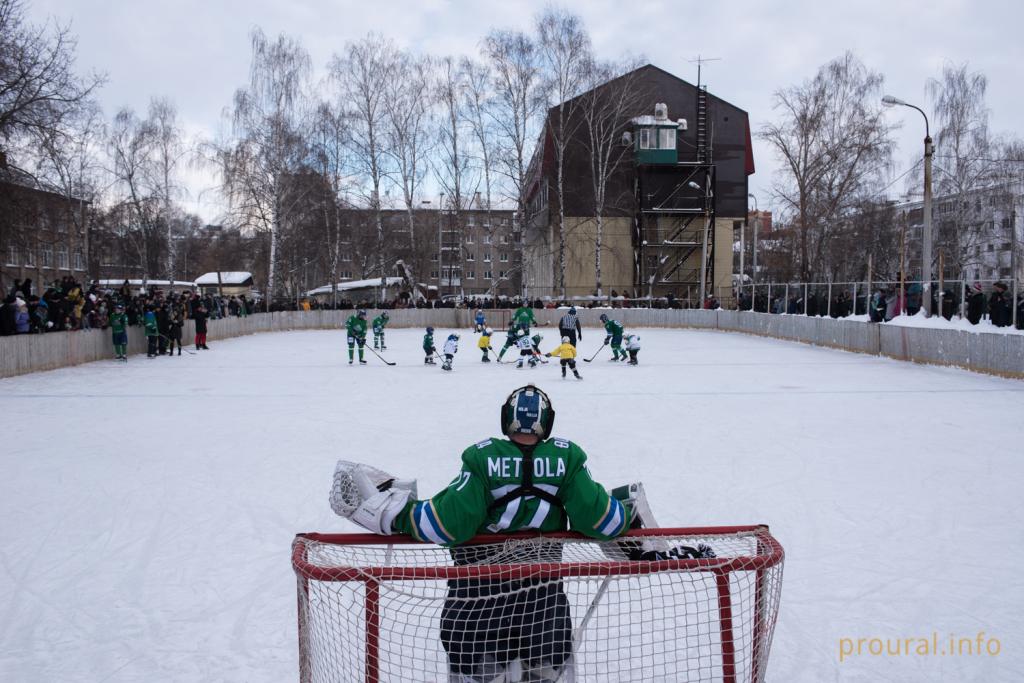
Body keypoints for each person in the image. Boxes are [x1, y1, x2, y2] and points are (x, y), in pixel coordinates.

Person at [329, 385, 641, 683]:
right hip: (544, 597)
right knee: (546, 667)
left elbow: (447, 523)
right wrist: (627, 511)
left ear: (507, 417)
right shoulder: (568, 458)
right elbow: (602, 520)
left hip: (480, 597)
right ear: (548, 421)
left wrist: (399, 515)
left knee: (478, 668)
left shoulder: (483, 457)